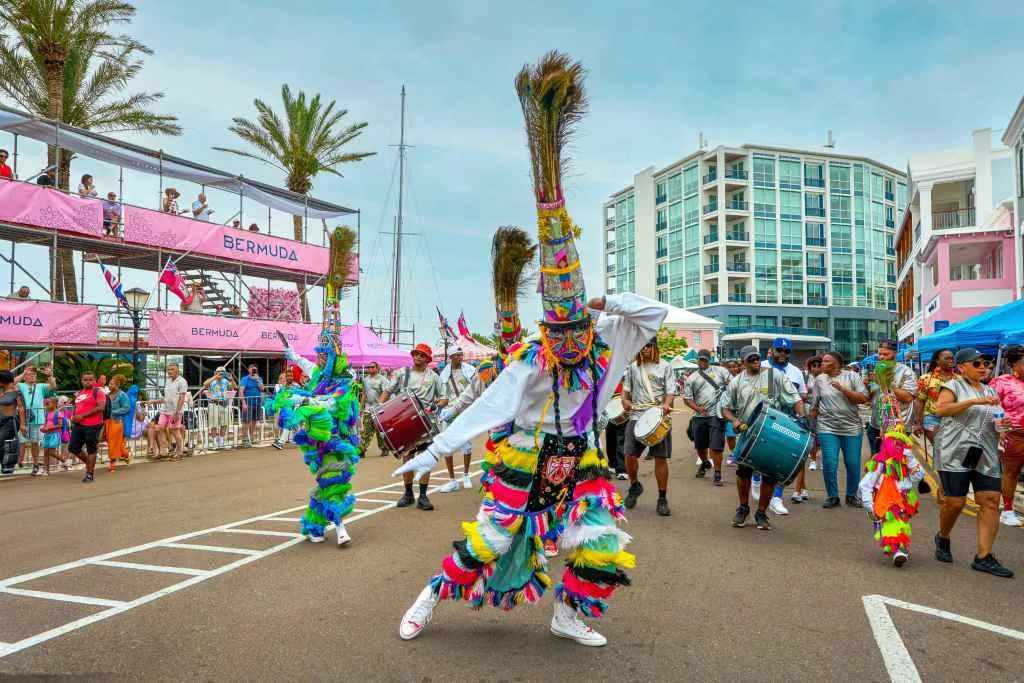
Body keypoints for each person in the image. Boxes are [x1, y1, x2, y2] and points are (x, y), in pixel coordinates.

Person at [395, 57, 668, 647]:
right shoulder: (530, 360)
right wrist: (434, 450)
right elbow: (487, 406)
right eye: (560, 335)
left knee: (602, 545)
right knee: (489, 541)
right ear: (548, 331)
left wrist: (602, 303)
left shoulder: (606, 343)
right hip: (524, 454)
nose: (569, 346)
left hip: (582, 459)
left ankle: (568, 614)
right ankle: (429, 596)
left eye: (577, 334)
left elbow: (655, 315)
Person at [933, 348, 1013, 578]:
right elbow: (941, 409)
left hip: (985, 453)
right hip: (954, 451)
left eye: (986, 364)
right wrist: (975, 401)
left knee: (989, 500)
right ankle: (943, 536)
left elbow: (994, 421)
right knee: (955, 503)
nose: (984, 368)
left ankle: (984, 557)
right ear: (962, 367)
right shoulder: (953, 386)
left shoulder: (990, 390)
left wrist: (1003, 424)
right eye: (977, 363)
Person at [720, 345, 805, 531]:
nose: (755, 361)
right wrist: (733, 420)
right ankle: (743, 508)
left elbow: (795, 398)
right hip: (748, 432)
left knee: (770, 474)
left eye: (757, 358)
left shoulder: (773, 376)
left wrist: (803, 419)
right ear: (743, 363)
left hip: (773, 430)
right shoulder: (736, 381)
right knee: (743, 472)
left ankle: (762, 512)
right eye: (750, 359)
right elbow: (724, 407)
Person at [378, 343, 442, 510]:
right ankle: (408, 494)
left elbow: (444, 398)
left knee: (425, 460)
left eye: (422, 355)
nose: (417, 357)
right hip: (405, 422)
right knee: (407, 458)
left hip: (426, 424)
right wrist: (378, 408)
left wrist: (435, 406)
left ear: (428, 359)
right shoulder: (402, 373)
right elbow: (387, 391)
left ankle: (423, 496)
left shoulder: (434, 377)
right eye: (416, 354)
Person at [622, 337, 677, 515]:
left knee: (660, 459)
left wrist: (667, 405)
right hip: (637, 416)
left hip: (658, 417)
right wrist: (625, 402)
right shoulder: (632, 367)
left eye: (647, 346)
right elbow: (625, 393)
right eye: (641, 346)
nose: (644, 349)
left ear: (654, 347)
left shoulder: (666, 366)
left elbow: (670, 392)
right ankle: (634, 485)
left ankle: (662, 498)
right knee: (629, 455)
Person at [858, 428, 926, 567]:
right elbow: (865, 485)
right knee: (893, 524)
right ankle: (898, 550)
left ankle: (899, 548)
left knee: (901, 525)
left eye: (901, 444)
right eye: (895, 443)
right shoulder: (879, 463)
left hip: (904, 500)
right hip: (886, 501)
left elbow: (918, 476)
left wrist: (910, 459)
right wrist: (869, 506)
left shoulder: (906, 462)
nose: (898, 447)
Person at [810, 351, 869, 508]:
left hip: (851, 428)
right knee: (830, 462)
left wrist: (844, 390)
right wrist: (809, 425)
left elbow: (863, 398)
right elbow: (814, 406)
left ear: (835, 363)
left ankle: (851, 495)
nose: (821, 364)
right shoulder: (819, 380)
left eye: (825, 362)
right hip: (827, 427)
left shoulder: (852, 377)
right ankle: (832, 496)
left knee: (852, 463)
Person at [761, 337, 807, 516]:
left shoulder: (795, 372)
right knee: (761, 459)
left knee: (781, 458)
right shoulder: (761, 366)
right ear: (771, 350)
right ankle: (757, 481)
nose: (782, 354)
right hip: (764, 419)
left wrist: (802, 415)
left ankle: (777, 497)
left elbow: (801, 395)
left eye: (786, 351)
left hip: (787, 421)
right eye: (779, 350)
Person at [683, 349, 730, 487]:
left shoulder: (721, 371)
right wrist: (697, 408)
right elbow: (687, 399)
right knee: (699, 445)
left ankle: (717, 473)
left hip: (717, 415)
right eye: (700, 359)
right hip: (699, 416)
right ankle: (705, 463)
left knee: (716, 446)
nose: (702, 362)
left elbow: (732, 386)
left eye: (705, 359)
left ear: (709, 359)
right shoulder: (691, 378)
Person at [989, 345, 1024, 527]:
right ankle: (1008, 510)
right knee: (1012, 471)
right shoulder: (1001, 382)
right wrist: (1000, 427)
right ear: (1014, 365)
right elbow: (993, 406)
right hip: (1014, 434)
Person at [436, 347, 476, 492]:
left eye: (461, 355)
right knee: (447, 446)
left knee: (467, 445)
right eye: (457, 355)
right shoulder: (443, 375)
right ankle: (452, 480)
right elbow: (443, 396)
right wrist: (438, 406)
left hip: (465, 411)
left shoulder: (470, 371)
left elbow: (476, 389)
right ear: (451, 357)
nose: (460, 357)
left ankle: (466, 475)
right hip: (449, 412)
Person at [866, 340, 917, 456]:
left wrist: (887, 383)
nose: (882, 357)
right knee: (876, 463)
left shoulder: (906, 372)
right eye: (880, 354)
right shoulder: (876, 370)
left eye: (886, 354)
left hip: (898, 427)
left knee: (893, 464)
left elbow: (909, 397)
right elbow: (870, 397)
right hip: (876, 424)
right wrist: (867, 386)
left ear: (895, 353)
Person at [16, 365, 56, 475]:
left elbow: (53, 386)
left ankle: (35, 464)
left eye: (34, 374)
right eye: (30, 374)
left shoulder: (40, 386)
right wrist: (24, 373)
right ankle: (19, 462)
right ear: (25, 377)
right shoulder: (21, 385)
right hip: (23, 418)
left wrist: (49, 375)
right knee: (21, 441)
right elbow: (12, 382)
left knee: (35, 442)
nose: (32, 375)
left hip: (38, 419)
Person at [69, 372, 106, 483]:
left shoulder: (98, 392)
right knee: (73, 448)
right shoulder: (80, 392)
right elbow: (77, 406)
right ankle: (90, 464)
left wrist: (82, 416)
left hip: (93, 425)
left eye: (90, 379)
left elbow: (101, 407)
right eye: (85, 380)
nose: (87, 381)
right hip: (78, 424)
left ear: (95, 381)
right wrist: (73, 416)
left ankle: (89, 473)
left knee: (91, 449)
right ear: (81, 381)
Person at [914, 348, 956, 445]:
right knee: (940, 446)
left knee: (951, 450)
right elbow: (919, 401)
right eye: (947, 358)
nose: (951, 361)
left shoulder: (959, 379)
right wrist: (918, 423)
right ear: (937, 361)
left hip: (954, 419)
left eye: (952, 358)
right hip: (932, 418)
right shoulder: (926, 379)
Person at [158, 363, 189, 459]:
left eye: (172, 369)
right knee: (159, 428)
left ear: (177, 370)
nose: (169, 371)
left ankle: (180, 451)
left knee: (174, 431)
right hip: (165, 409)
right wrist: (155, 401)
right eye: (168, 369)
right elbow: (166, 397)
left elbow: (182, 398)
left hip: (175, 411)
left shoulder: (182, 381)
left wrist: (176, 413)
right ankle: (164, 450)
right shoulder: (168, 381)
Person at [0, 370, 27, 476]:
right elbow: (14, 379)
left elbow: (21, 409)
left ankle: (7, 466)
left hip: (9, 422)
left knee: (2, 442)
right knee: (2, 445)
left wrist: (23, 424)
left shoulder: (16, 392)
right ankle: (6, 466)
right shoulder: (1, 390)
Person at [358, 362, 387, 456]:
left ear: (377, 368)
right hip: (368, 409)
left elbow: (386, 393)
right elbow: (364, 394)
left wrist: (382, 406)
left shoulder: (382, 379)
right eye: (368, 367)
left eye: (372, 367)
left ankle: (384, 448)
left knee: (380, 431)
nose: (369, 369)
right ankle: (362, 449)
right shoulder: (365, 379)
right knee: (366, 430)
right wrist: (361, 407)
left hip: (379, 409)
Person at [203, 366, 235, 450]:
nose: (220, 373)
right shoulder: (212, 380)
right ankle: (214, 442)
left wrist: (232, 379)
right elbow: (205, 384)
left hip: (224, 404)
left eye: (222, 372)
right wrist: (215, 377)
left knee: (224, 424)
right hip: (214, 404)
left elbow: (234, 387)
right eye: (219, 371)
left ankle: (221, 442)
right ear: (215, 372)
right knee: (214, 424)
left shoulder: (226, 381)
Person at [105, 374, 131, 472]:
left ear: (117, 385)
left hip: (117, 422)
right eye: (109, 384)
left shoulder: (122, 395)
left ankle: (112, 462)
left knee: (113, 442)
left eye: (111, 384)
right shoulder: (107, 395)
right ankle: (126, 454)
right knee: (114, 442)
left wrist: (113, 412)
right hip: (107, 421)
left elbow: (126, 408)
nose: (109, 385)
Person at [38, 396, 69, 475]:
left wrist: (48, 428)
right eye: (46, 404)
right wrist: (43, 428)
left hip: (54, 435)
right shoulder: (47, 413)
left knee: (52, 452)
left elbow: (60, 425)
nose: (46, 405)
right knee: (45, 453)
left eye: (48, 404)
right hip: (47, 434)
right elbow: (45, 423)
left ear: (55, 404)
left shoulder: (58, 413)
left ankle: (64, 461)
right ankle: (46, 470)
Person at [238, 365, 264, 447]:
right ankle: (245, 439)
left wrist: (257, 380)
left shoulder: (259, 379)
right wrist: (244, 403)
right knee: (246, 421)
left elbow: (262, 389)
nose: (253, 371)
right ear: (249, 370)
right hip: (248, 403)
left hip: (257, 402)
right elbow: (241, 391)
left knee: (254, 421)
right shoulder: (244, 379)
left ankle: (251, 437)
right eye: (252, 369)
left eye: (255, 369)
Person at [723, 359, 741, 465]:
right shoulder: (724, 379)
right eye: (730, 367)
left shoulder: (743, 377)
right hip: (729, 410)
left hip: (742, 410)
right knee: (730, 434)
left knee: (742, 433)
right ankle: (732, 453)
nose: (732, 369)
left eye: (734, 366)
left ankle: (740, 453)